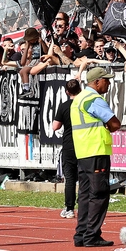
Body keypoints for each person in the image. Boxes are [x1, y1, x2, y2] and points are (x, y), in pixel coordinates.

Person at [72, 67, 121, 248]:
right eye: (106, 80)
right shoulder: (94, 99)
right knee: (99, 194)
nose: (108, 83)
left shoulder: (78, 99)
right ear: (97, 81)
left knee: (85, 194)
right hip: (96, 150)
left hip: (83, 152)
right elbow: (115, 123)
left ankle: (82, 234)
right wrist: (108, 126)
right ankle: (92, 235)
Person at [52, 78, 81, 219]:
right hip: (83, 143)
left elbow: (55, 126)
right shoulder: (84, 105)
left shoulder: (64, 106)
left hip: (69, 144)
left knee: (69, 178)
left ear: (67, 92)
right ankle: (85, 206)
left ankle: (69, 208)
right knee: (84, 177)